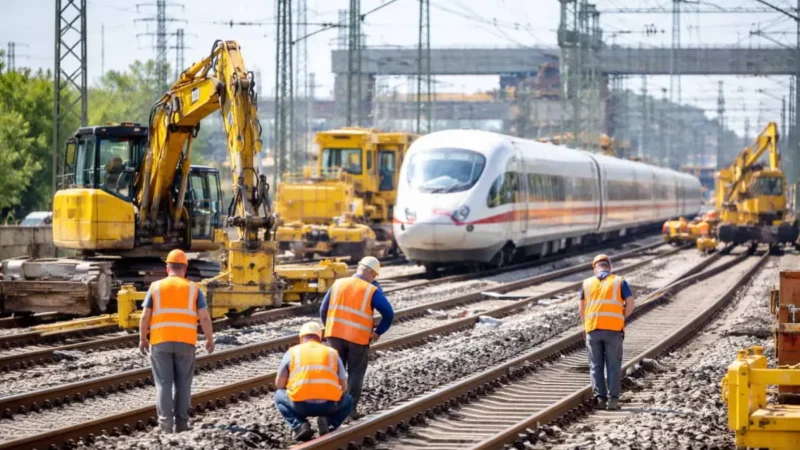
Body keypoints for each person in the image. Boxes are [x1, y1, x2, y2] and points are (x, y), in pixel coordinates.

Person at [139, 249, 215, 433]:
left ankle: (165, 425)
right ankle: (181, 424)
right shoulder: (194, 288)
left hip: (160, 342)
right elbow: (204, 318)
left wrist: (143, 339)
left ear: (167, 268)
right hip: (186, 342)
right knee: (183, 384)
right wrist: (209, 339)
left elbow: (144, 317)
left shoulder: (156, 287)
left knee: (163, 384)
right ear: (185, 268)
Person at [320, 256, 394, 419]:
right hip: (358, 338)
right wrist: (378, 332)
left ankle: (331, 410)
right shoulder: (370, 290)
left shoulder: (338, 284)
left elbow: (323, 309)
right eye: (374, 275)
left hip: (335, 336)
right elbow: (388, 313)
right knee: (355, 374)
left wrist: (330, 328)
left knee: (335, 372)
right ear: (370, 272)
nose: (374, 279)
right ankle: (349, 411)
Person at [274, 322, 353, 442]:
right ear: (320, 338)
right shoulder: (332, 353)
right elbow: (344, 386)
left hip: (300, 405)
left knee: (279, 395)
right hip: (329, 406)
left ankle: (300, 426)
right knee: (348, 399)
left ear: (301, 338)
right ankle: (329, 424)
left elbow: (279, 384)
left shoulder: (292, 352)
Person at [578, 254, 635, 411]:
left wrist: (585, 325)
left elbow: (581, 308)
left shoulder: (586, 283)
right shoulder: (619, 281)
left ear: (595, 267)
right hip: (613, 330)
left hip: (593, 329)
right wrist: (621, 317)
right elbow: (630, 303)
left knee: (595, 366)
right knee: (613, 365)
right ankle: (613, 401)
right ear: (609, 267)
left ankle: (600, 400)